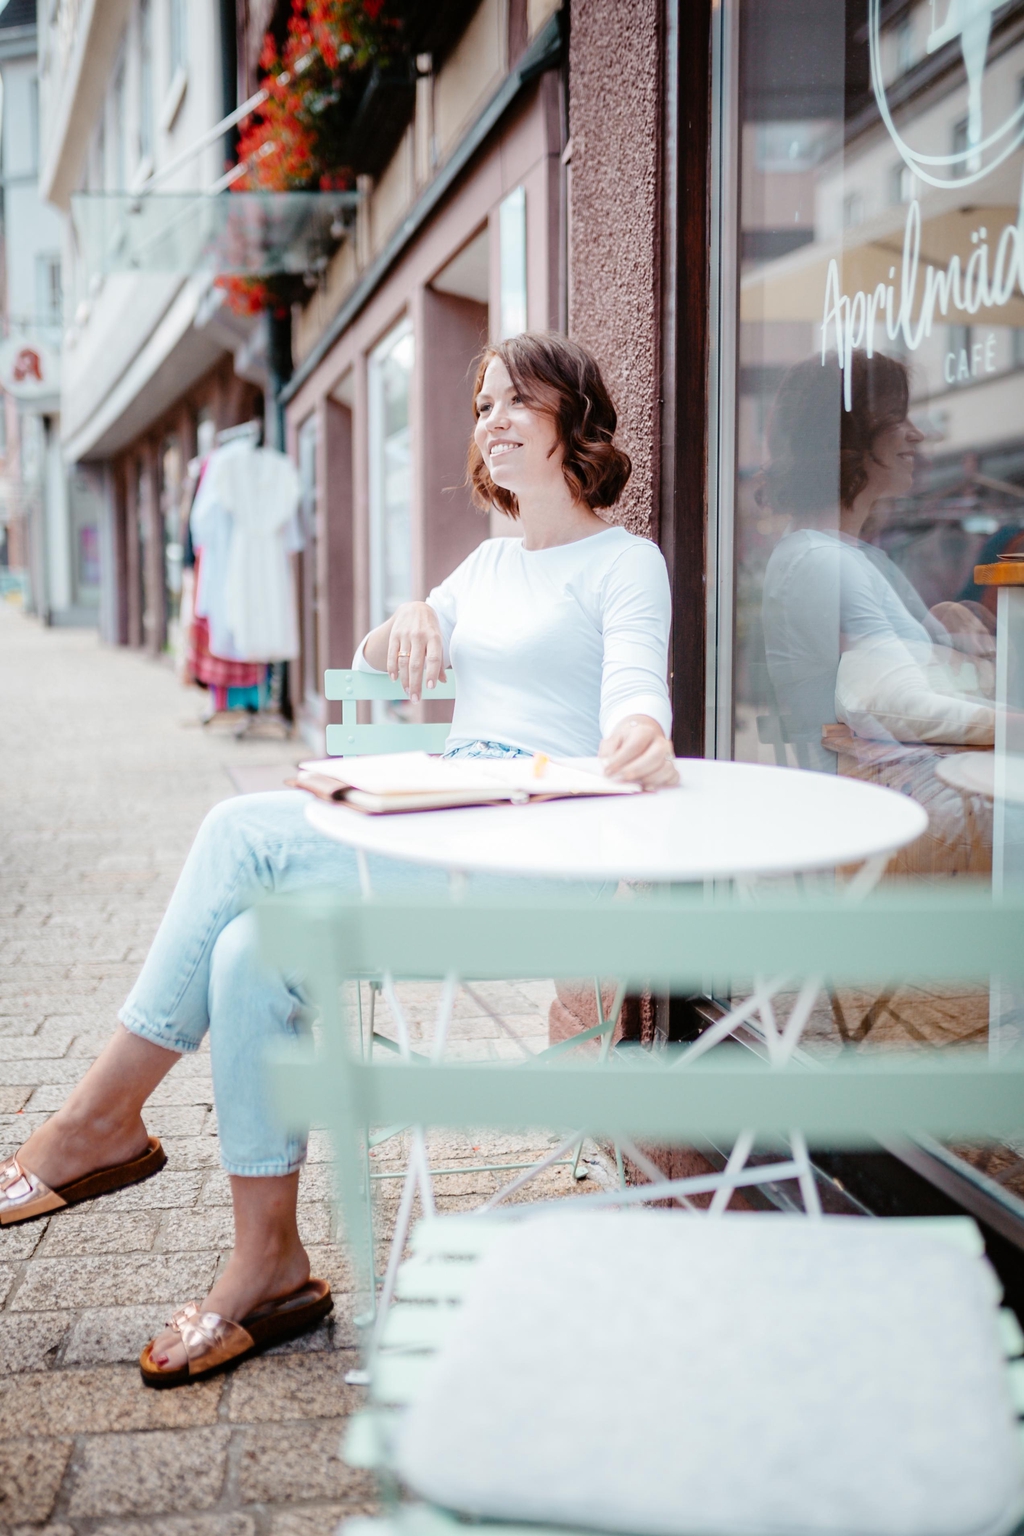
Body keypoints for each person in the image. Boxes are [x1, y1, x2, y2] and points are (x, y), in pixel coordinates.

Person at [0, 332, 677, 1386]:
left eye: (516, 403)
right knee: (246, 954)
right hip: (449, 815)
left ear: (573, 424)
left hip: (526, 852)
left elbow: (638, 684)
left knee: (237, 832)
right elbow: (374, 656)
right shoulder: (491, 561)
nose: (490, 420)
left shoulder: (623, 562)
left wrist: (641, 727)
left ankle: (97, 1122)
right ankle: (267, 1264)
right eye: (481, 403)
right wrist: (410, 613)